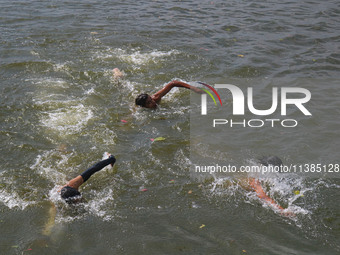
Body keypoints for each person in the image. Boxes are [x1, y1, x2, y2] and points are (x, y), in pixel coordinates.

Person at [135, 80, 203, 108]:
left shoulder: (156, 98)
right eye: (149, 103)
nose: (153, 102)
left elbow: (173, 83)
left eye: (151, 99)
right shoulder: (141, 110)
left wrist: (193, 88)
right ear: (144, 106)